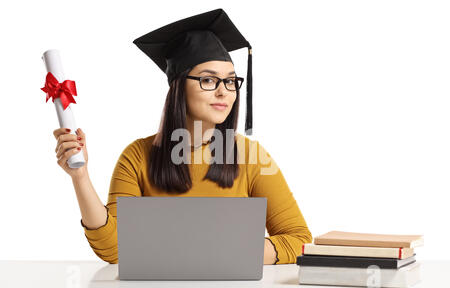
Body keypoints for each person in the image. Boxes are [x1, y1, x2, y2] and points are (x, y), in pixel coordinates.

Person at [52, 9, 312, 265]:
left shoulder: (251, 156)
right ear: (178, 87)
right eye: (208, 80)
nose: (224, 92)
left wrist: (227, 250)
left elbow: (298, 239)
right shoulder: (137, 157)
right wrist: (81, 177)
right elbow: (115, 250)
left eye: (231, 81)